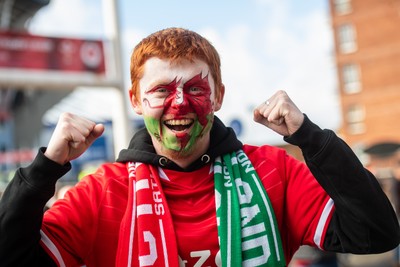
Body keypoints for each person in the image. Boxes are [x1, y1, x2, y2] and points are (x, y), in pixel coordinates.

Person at [0, 27, 399, 267]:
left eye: (195, 88)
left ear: (219, 95)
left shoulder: (272, 172)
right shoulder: (104, 192)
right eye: (161, 90)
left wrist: (310, 136)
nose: (179, 103)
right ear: (136, 101)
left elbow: (376, 232)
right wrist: (45, 167)